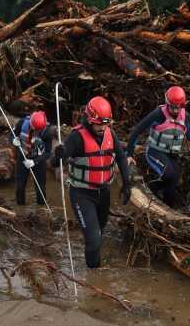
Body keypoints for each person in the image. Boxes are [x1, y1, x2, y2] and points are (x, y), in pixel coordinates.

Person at [53, 96, 132, 268]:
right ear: (89, 120)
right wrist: (58, 153)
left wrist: (127, 184)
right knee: (94, 240)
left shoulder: (110, 134)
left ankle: (95, 266)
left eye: (106, 124)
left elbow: (121, 158)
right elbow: (56, 160)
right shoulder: (76, 137)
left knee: (99, 233)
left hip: (103, 193)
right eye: (99, 124)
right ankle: (93, 276)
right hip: (82, 194)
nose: (103, 128)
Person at [125, 86, 190, 207]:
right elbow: (136, 131)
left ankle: (169, 206)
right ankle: (151, 188)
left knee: (175, 180)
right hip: (154, 152)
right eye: (172, 107)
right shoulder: (158, 114)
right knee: (168, 174)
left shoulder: (186, 117)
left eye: (178, 107)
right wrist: (129, 154)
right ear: (167, 103)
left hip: (172, 155)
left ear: (183, 105)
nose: (175, 110)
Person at [11, 111, 52, 206]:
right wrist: (13, 141)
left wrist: (34, 162)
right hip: (23, 157)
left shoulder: (47, 132)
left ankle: (41, 208)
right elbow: (12, 135)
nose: (35, 132)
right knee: (20, 186)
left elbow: (48, 153)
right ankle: (20, 207)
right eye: (34, 129)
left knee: (40, 188)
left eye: (38, 131)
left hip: (38, 161)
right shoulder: (22, 123)